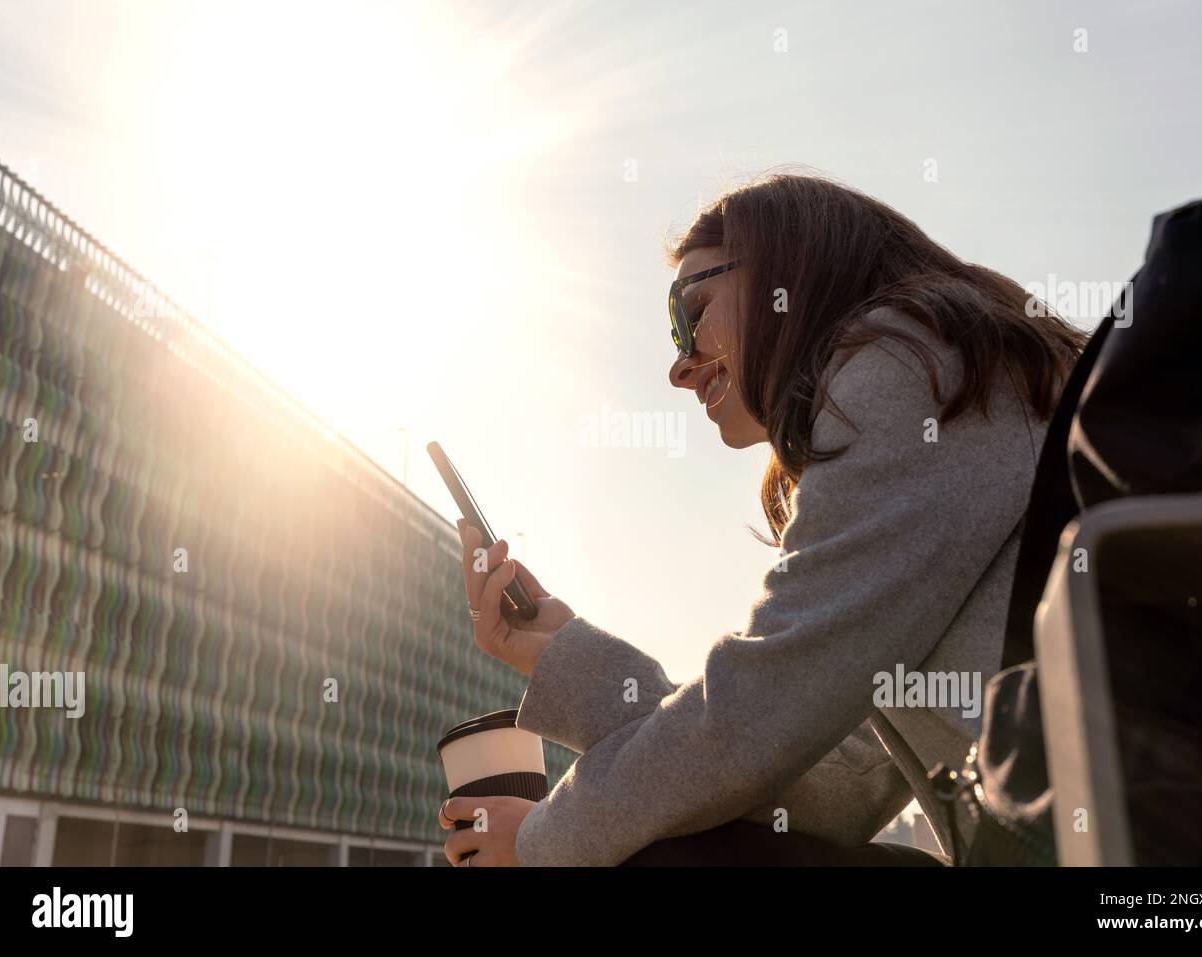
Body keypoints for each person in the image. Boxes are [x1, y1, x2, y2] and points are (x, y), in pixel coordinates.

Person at [439, 171, 1085, 866]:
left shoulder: (908, 363)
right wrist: (560, 652)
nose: (679, 367)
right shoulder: (951, 371)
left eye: (694, 311)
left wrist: (539, 843)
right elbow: (831, 782)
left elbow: (753, 717)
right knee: (663, 829)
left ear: (787, 271)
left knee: (649, 856)